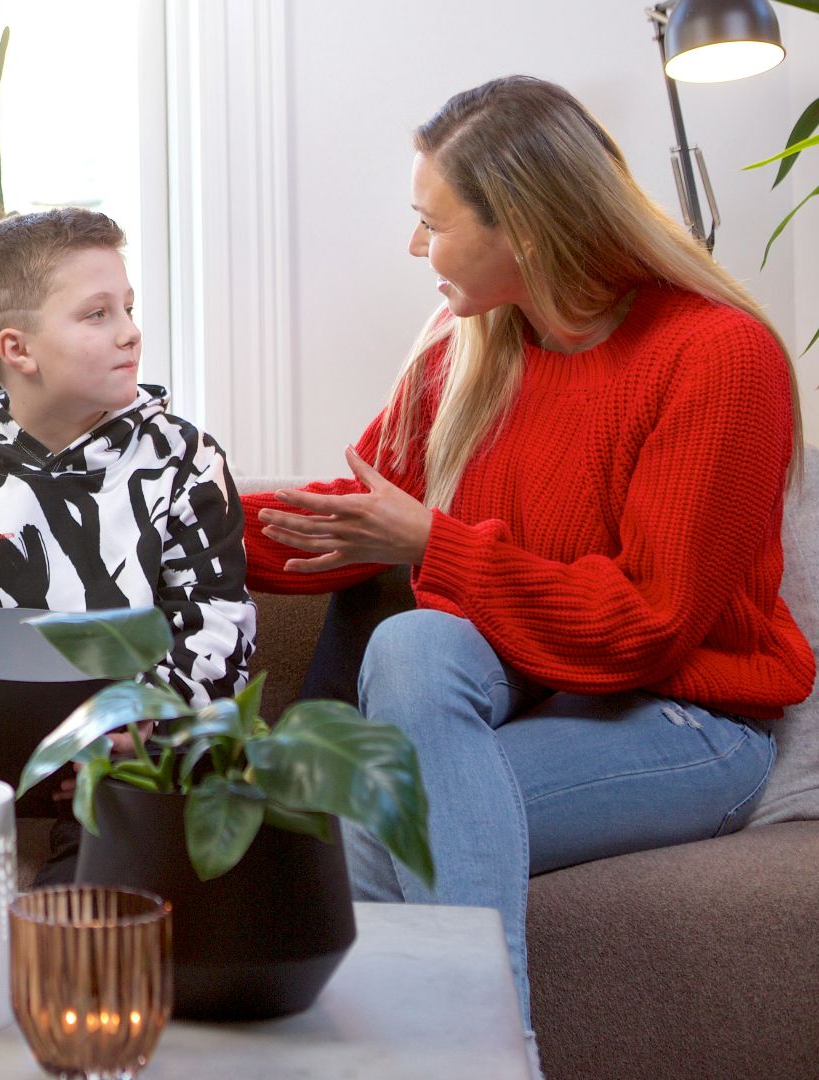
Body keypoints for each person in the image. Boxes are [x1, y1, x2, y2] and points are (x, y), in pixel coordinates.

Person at [244, 76, 813, 1035]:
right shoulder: (468, 344)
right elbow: (354, 517)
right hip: (519, 695)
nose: (413, 246)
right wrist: (177, 508)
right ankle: (488, 1052)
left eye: (432, 222)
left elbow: (649, 624)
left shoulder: (718, 355)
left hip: (687, 720)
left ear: (525, 227)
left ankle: (475, 1049)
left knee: (348, 831)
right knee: (414, 645)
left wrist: (436, 545)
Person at [0, 207, 257, 875]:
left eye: (128, 307)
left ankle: (70, 949)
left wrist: (143, 721)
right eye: (98, 314)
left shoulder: (184, 460)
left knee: (97, 879)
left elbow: (219, 627)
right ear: (18, 349)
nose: (131, 333)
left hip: (130, 746)